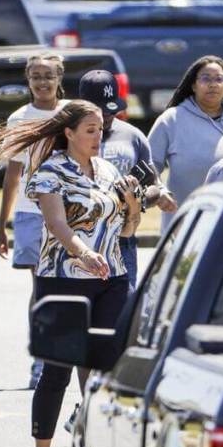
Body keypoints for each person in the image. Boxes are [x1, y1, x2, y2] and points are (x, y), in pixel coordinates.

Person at [0, 100, 142, 447]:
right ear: (69, 133)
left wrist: (134, 207)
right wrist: (84, 253)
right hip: (63, 280)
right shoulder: (49, 173)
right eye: (89, 129)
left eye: (100, 130)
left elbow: (125, 231)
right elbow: (56, 223)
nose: (97, 136)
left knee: (108, 369)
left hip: (111, 278)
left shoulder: (108, 171)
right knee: (57, 370)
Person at [0, 53, 69, 390]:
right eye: (36, 76)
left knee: (67, 287)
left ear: (59, 78)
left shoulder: (71, 114)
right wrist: (2, 222)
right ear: (28, 80)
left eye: (48, 75)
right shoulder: (19, 118)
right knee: (42, 288)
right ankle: (40, 361)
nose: (42, 82)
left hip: (71, 212)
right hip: (30, 213)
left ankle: (64, 356)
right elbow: (13, 173)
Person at [76, 69, 161, 292]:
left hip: (122, 237)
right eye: (100, 111)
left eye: (111, 109)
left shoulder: (133, 136)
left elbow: (155, 187)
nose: (107, 116)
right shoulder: (65, 138)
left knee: (123, 306)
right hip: (79, 238)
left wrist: (136, 199)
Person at [148, 55, 223, 231]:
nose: (213, 84)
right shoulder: (172, 119)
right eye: (206, 79)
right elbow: (148, 164)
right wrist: (159, 191)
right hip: (184, 226)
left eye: (219, 79)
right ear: (193, 85)